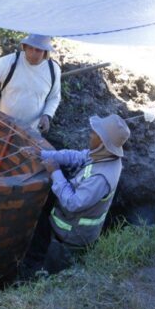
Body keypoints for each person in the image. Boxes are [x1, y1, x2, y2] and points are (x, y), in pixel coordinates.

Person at [40, 114, 131, 272]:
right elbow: (76, 156)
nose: (90, 135)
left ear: (103, 142)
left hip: (72, 237)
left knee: (53, 270)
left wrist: (55, 172)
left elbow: (73, 203)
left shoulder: (101, 178)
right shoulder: (103, 154)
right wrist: (43, 155)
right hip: (64, 229)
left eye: (94, 133)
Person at [0, 34, 61, 133]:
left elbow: (54, 97)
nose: (33, 53)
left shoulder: (53, 69)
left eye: (38, 50)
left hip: (30, 133)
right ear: (24, 47)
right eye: (30, 48)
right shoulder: (10, 61)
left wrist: (47, 115)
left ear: (45, 52)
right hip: (1, 125)